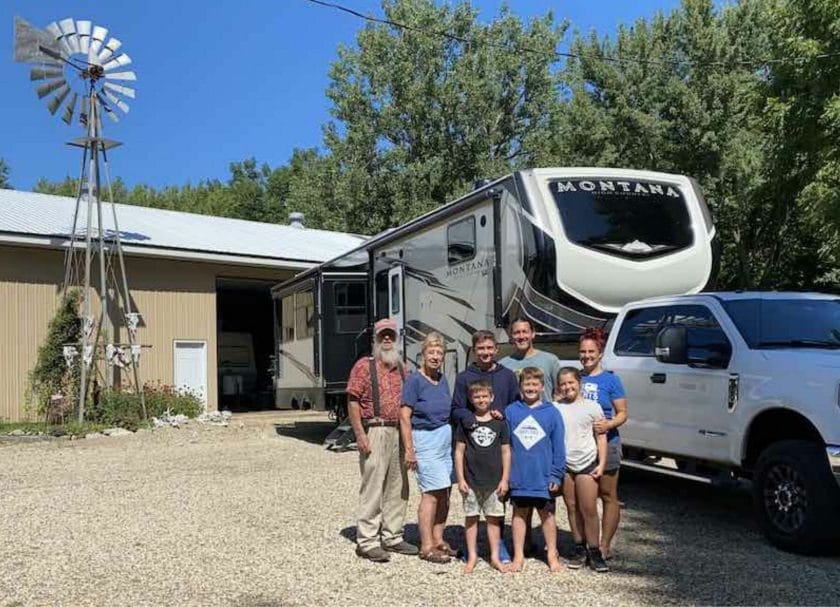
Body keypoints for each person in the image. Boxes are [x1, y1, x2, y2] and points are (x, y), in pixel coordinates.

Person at [346, 318, 418, 562]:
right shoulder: (363, 366)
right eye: (382, 335)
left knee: (398, 487)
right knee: (373, 486)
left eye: (390, 335)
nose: (387, 339)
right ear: (375, 339)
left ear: (396, 338)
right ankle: (366, 541)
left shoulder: (402, 367)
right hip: (375, 429)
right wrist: (360, 435)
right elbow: (353, 401)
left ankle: (393, 536)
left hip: (399, 430)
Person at [399, 332, 455, 564]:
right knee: (431, 493)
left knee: (446, 492)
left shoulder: (441, 379)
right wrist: (409, 449)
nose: (435, 357)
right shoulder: (414, 380)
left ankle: (438, 538)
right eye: (431, 352)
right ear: (422, 355)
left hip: (444, 439)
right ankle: (426, 546)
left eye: (439, 353)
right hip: (425, 439)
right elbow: (404, 415)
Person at [505, 367, 566, 573]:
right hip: (519, 475)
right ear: (521, 386)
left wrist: (556, 474)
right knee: (519, 514)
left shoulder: (552, 413)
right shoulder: (511, 411)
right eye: (526, 384)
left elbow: (559, 446)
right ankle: (518, 555)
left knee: (547, 516)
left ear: (541, 387)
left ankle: (551, 554)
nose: (530, 388)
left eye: (534, 384)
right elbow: (505, 445)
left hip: (543, 476)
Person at [579, 327, 628, 560]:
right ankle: (587, 542)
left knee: (608, 494)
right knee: (583, 498)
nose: (586, 356)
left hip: (608, 443)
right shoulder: (575, 378)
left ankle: (605, 544)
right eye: (582, 351)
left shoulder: (611, 380)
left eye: (591, 351)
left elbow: (622, 413)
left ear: (600, 354)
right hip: (581, 446)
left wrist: (608, 425)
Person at [554, 367, 609, 573]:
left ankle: (594, 550)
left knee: (589, 509)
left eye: (571, 382)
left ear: (580, 383)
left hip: (587, 463)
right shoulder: (556, 408)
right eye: (563, 384)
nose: (567, 387)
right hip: (566, 464)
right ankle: (579, 547)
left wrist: (601, 463)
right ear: (559, 387)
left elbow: (601, 437)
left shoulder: (592, 407)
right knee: (571, 506)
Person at [454, 379, 511, 574]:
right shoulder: (466, 423)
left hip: (495, 481)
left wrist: (505, 479)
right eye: (477, 396)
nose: (481, 399)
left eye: (485, 396)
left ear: (492, 397)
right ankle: (472, 556)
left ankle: (495, 556)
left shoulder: (500, 423)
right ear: (471, 399)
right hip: (470, 481)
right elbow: (459, 451)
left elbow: (506, 452)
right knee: (471, 518)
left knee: (493, 519)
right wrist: (460, 478)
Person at [451, 329, 520, 428]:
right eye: (481, 348)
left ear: (496, 350)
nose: (486, 352)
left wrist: (503, 413)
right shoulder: (463, 378)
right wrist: (469, 417)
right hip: (474, 433)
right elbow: (456, 409)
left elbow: (516, 405)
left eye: (489, 348)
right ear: (474, 351)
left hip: (502, 433)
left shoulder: (508, 375)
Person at [499, 318, 562, 404]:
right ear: (511, 336)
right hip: (516, 415)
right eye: (517, 333)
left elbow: (560, 393)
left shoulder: (550, 360)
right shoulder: (503, 364)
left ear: (533, 334)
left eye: (525, 332)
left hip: (544, 414)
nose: (521, 336)